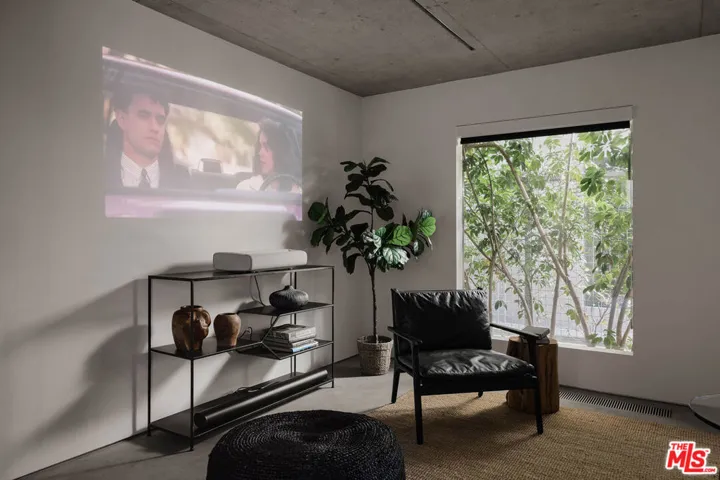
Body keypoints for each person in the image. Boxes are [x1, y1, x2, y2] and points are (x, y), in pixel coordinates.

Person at [105, 85, 190, 190]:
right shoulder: (97, 175)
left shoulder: (183, 181)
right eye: (143, 116)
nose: (155, 127)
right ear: (122, 119)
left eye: (160, 120)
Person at [236, 119, 301, 193]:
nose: (260, 153)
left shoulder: (298, 191)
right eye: (260, 146)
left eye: (266, 147)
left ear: (281, 152)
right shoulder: (245, 188)